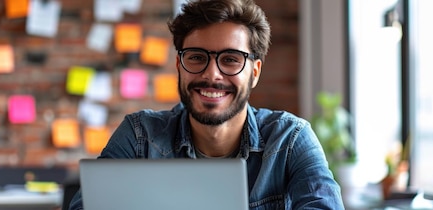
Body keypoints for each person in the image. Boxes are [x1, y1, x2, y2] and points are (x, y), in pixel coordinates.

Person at [69, 0, 345, 209]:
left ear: (255, 72)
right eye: (197, 57)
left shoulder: (290, 139)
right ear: (179, 65)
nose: (212, 74)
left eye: (231, 59)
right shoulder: (140, 135)